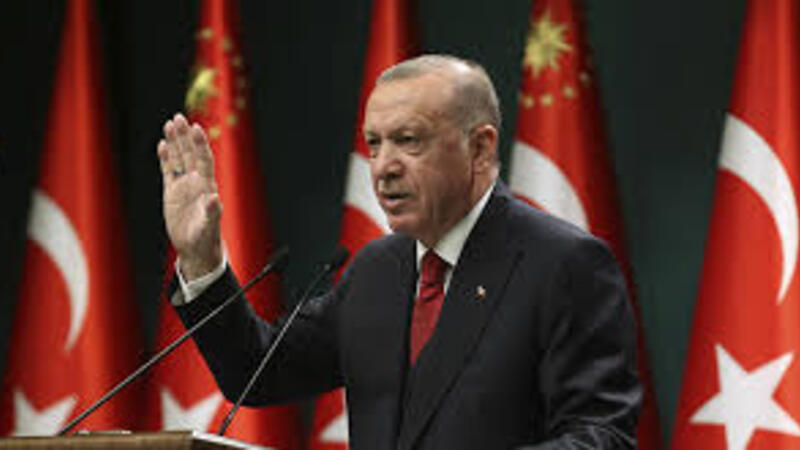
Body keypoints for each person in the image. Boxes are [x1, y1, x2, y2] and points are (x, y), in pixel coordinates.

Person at [156, 55, 641, 449]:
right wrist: (200, 258)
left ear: (480, 148)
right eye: (374, 144)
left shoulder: (563, 265)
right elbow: (257, 373)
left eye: (408, 141)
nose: (383, 167)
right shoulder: (376, 270)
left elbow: (602, 437)